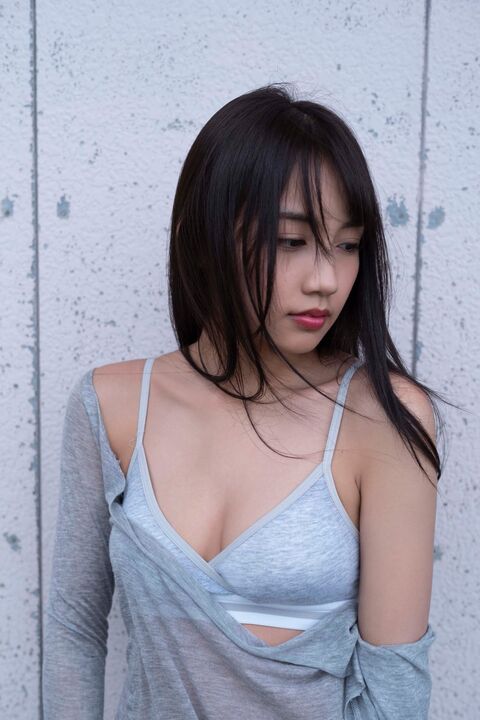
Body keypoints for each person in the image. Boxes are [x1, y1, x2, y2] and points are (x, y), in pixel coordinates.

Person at [43, 83, 450, 719]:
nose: (325, 279)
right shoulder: (111, 406)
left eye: (347, 245)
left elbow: (394, 695)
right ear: (203, 237)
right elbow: (75, 629)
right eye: (291, 241)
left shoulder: (382, 420)